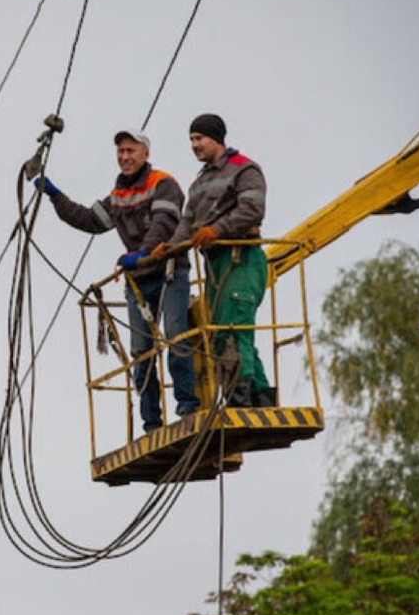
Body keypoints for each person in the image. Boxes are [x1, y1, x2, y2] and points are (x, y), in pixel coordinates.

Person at [34, 130, 199, 433]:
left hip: (169, 272)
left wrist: (143, 253)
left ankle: (188, 407)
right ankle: (152, 423)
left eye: (130, 151)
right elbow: (89, 219)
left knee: (176, 337)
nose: (125, 157)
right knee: (141, 352)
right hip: (138, 282)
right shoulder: (118, 195)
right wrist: (55, 196)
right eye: (121, 151)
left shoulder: (163, 184)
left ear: (146, 154)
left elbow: (164, 224)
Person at [150, 113, 274, 408]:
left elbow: (252, 209)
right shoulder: (199, 182)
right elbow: (188, 222)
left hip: (241, 258)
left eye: (199, 138)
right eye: (191, 139)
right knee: (222, 330)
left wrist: (216, 230)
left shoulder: (244, 169)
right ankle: (261, 398)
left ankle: (239, 398)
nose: (194, 145)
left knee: (234, 329)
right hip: (215, 263)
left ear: (216, 138)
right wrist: (169, 248)